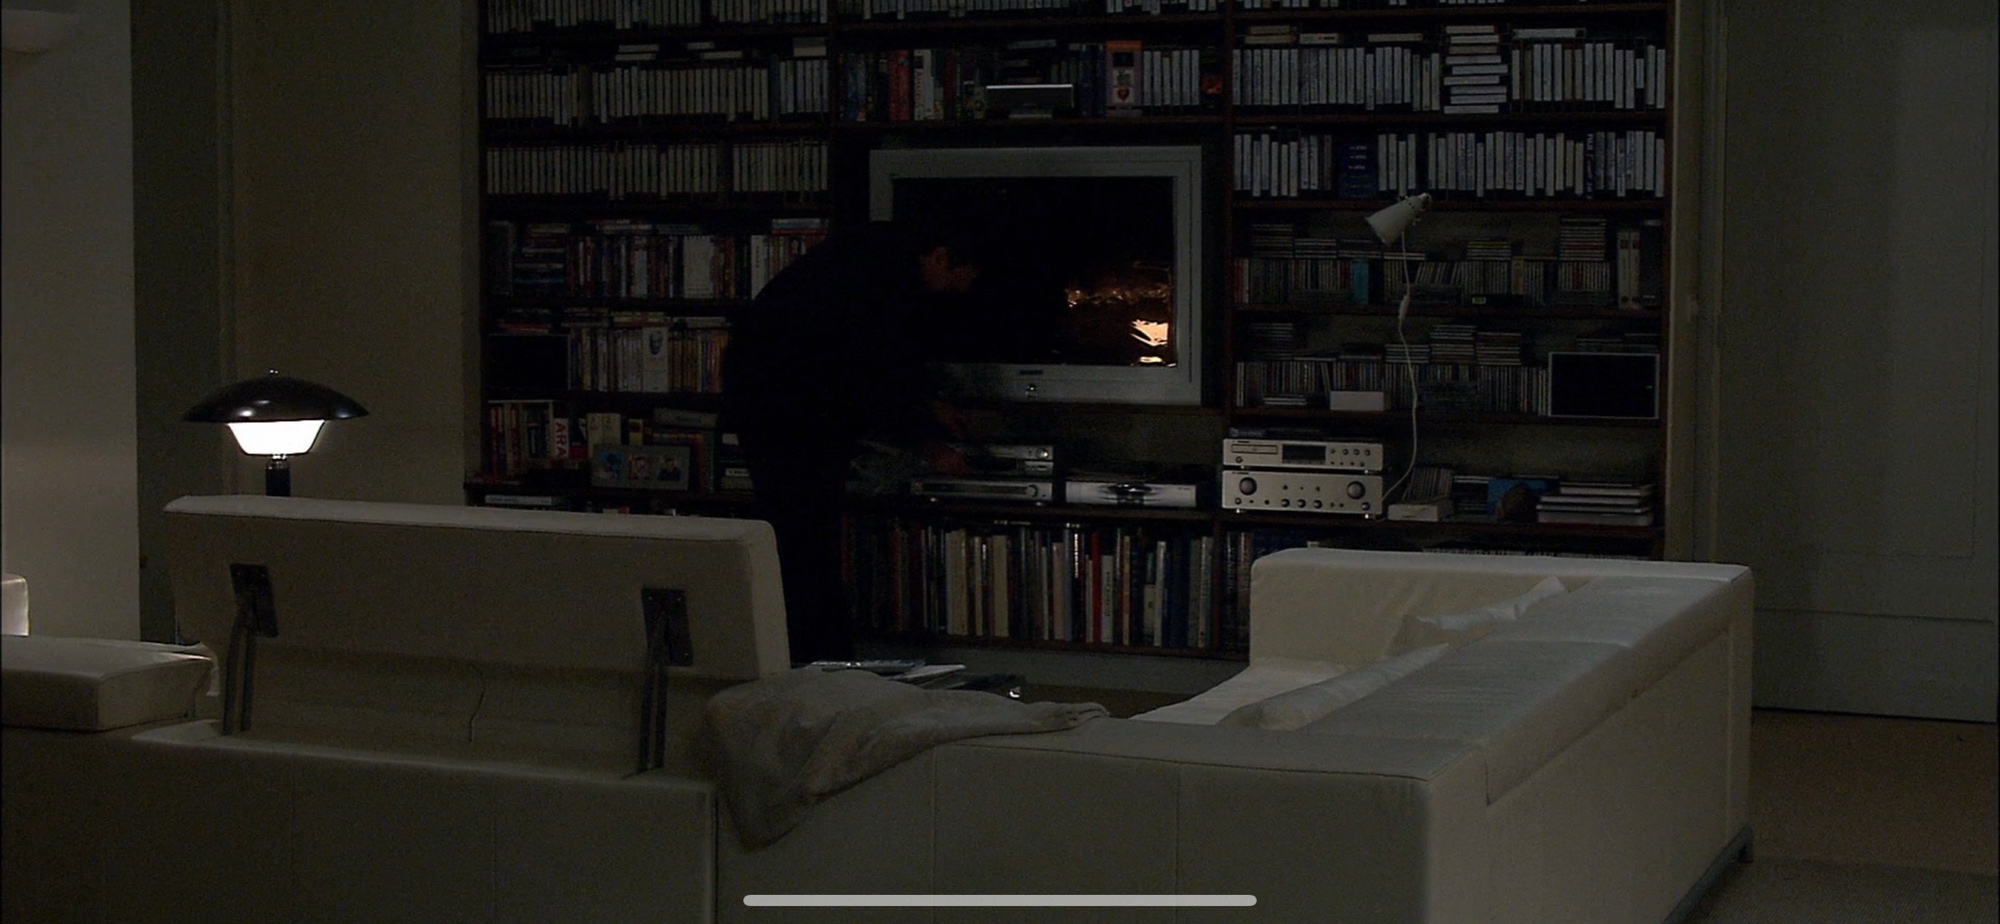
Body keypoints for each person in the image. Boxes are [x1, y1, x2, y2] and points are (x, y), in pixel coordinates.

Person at [720, 220, 987, 665]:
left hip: (776, 398)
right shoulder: (880, 278)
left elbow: (885, 361)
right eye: (958, 279)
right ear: (940, 256)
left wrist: (928, 403)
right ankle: (816, 657)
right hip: (784, 407)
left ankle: (814, 654)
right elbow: (866, 374)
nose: (955, 292)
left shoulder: (876, 259)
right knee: (804, 538)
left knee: (802, 536)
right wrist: (929, 447)